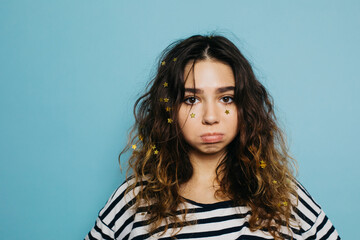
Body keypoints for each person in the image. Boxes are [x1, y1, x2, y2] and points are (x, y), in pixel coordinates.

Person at [85, 35, 340, 240]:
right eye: (191, 99)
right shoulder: (134, 200)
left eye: (226, 98)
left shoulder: (282, 197)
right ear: (170, 109)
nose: (210, 116)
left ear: (245, 106)